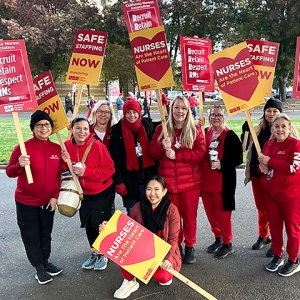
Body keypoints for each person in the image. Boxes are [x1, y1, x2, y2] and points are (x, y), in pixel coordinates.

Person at [98, 175, 182, 299]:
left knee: (163, 277)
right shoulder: (138, 207)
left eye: (156, 189)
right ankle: (130, 281)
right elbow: (125, 230)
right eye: (149, 189)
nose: (152, 193)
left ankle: (154, 269)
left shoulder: (172, 210)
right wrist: (107, 229)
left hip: (163, 254)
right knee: (123, 248)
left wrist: (169, 259)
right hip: (140, 250)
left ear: (164, 191)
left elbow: (174, 239)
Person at [6, 110, 63, 285]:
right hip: (26, 202)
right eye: (39, 125)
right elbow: (9, 172)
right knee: (31, 235)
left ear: (51, 128)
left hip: (47, 201)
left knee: (46, 234)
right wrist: (19, 164)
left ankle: (45, 262)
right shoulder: (23, 148)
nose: (43, 128)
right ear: (33, 128)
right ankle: (39, 267)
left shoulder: (56, 149)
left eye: (46, 125)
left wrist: (55, 196)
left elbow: (58, 174)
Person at [148, 95, 206, 264]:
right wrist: (162, 147)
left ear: (188, 111)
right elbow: (152, 152)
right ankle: (176, 246)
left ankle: (190, 246)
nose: (180, 111)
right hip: (169, 185)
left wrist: (176, 155)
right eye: (177, 107)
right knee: (173, 219)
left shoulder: (194, 130)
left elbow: (200, 154)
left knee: (189, 218)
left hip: (190, 185)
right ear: (171, 109)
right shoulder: (161, 130)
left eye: (183, 108)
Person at [62, 117, 115, 271]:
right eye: (78, 128)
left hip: (102, 192)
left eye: (85, 129)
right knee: (88, 225)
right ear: (72, 130)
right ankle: (94, 252)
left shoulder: (97, 146)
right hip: (82, 193)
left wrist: (87, 172)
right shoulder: (65, 146)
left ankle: (103, 253)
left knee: (100, 225)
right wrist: (63, 160)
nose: (82, 132)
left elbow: (110, 170)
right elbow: (61, 170)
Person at [258, 113, 300, 277]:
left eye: (283, 126)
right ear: (272, 128)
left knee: (292, 229)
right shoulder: (268, 144)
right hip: (271, 194)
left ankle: (294, 260)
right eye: (276, 126)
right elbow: (265, 167)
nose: (280, 129)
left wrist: (270, 162)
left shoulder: (295, 145)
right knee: (275, 228)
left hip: (290, 196)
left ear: (289, 127)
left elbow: (293, 169)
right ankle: (277, 255)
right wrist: (264, 169)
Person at [200, 105, 243, 259]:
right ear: (209, 117)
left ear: (224, 117)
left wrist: (222, 164)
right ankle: (218, 238)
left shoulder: (230, 135)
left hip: (223, 183)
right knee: (211, 214)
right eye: (213, 115)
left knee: (223, 216)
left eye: (219, 115)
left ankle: (227, 242)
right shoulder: (205, 132)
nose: (216, 118)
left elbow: (238, 158)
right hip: (206, 183)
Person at [242, 98, 282, 257]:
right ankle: (263, 235)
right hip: (256, 176)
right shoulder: (257, 129)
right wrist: (246, 129)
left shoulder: (283, 129)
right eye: (268, 110)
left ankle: (277, 241)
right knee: (261, 209)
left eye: (275, 111)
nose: (271, 114)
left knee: (274, 211)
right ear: (264, 112)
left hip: (273, 178)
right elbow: (244, 148)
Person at [109, 98, 158, 215]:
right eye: (128, 112)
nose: (132, 115)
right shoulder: (116, 131)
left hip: (148, 178)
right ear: (124, 114)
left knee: (150, 215)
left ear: (139, 112)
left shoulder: (148, 126)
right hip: (129, 181)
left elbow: (168, 124)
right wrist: (119, 182)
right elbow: (116, 160)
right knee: (133, 215)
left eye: (134, 112)